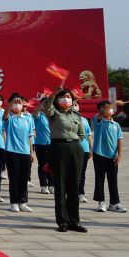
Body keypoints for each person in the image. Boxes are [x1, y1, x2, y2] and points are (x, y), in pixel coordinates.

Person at [42, 87, 88, 233]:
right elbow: (47, 106)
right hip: (59, 148)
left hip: (75, 148)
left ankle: (74, 221)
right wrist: (54, 94)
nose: (66, 99)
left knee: (74, 186)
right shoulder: (53, 113)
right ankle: (62, 221)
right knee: (61, 186)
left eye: (68, 97)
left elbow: (81, 134)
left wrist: (74, 144)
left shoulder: (76, 115)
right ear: (57, 99)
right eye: (63, 97)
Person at [92, 101, 126, 214]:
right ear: (100, 110)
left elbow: (120, 141)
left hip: (112, 156)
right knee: (100, 179)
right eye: (104, 108)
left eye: (109, 107)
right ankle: (101, 202)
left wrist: (120, 155)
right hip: (99, 154)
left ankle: (114, 203)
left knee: (113, 180)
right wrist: (114, 102)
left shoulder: (116, 125)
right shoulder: (98, 120)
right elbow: (103, 113)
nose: (108, 109)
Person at [2, 95, 35, 213]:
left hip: (25, 152)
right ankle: (14, 202)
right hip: (12, 151)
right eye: (15, 103)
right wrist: (11, 103)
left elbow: (30, 136)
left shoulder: (27, 119)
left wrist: (31, 152)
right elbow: (5, 114)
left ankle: (22, 202)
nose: (17, 105)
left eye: (19, 103)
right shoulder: (9, 119)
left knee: (24, 178)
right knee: (14, 178)